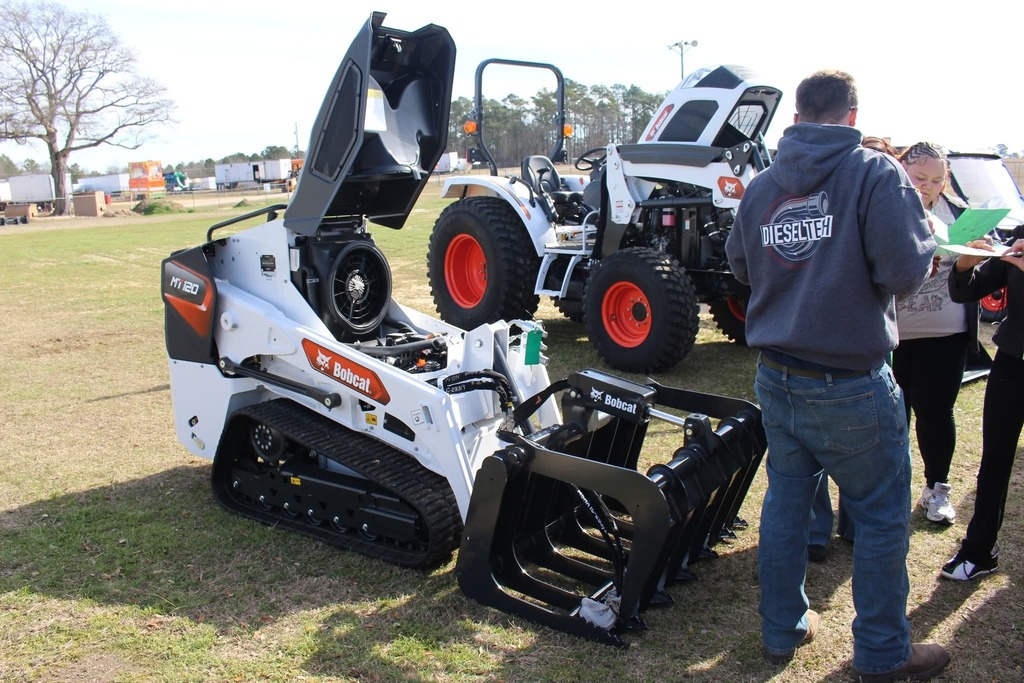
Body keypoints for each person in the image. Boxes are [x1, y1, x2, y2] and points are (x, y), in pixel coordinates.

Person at [725, 69, 950, 680]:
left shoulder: (764, 184)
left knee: (787, 500)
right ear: (852, 116)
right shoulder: (876, 174)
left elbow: (740, 267)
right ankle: (882, 653)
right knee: (879, 515)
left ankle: (782, 630)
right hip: (850, 381)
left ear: (795, 119)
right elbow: (906, 270)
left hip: (777, 376)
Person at [893, 142, 979, 525]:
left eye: (937, 180)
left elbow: (976, 277)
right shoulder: (884, 209)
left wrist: (972, 258)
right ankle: (888, 493)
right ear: (902, 172)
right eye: (919, 178)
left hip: (946, 332)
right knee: (893, 417)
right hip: (893, 334)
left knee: (935, 412)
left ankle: (937, 488)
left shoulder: (960, 215)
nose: (928, 187)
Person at [940, 225, 1024, 580]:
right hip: (1012, 363)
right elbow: (968, 290)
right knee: (995, 461)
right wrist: (965, 264)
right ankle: (979, 550)